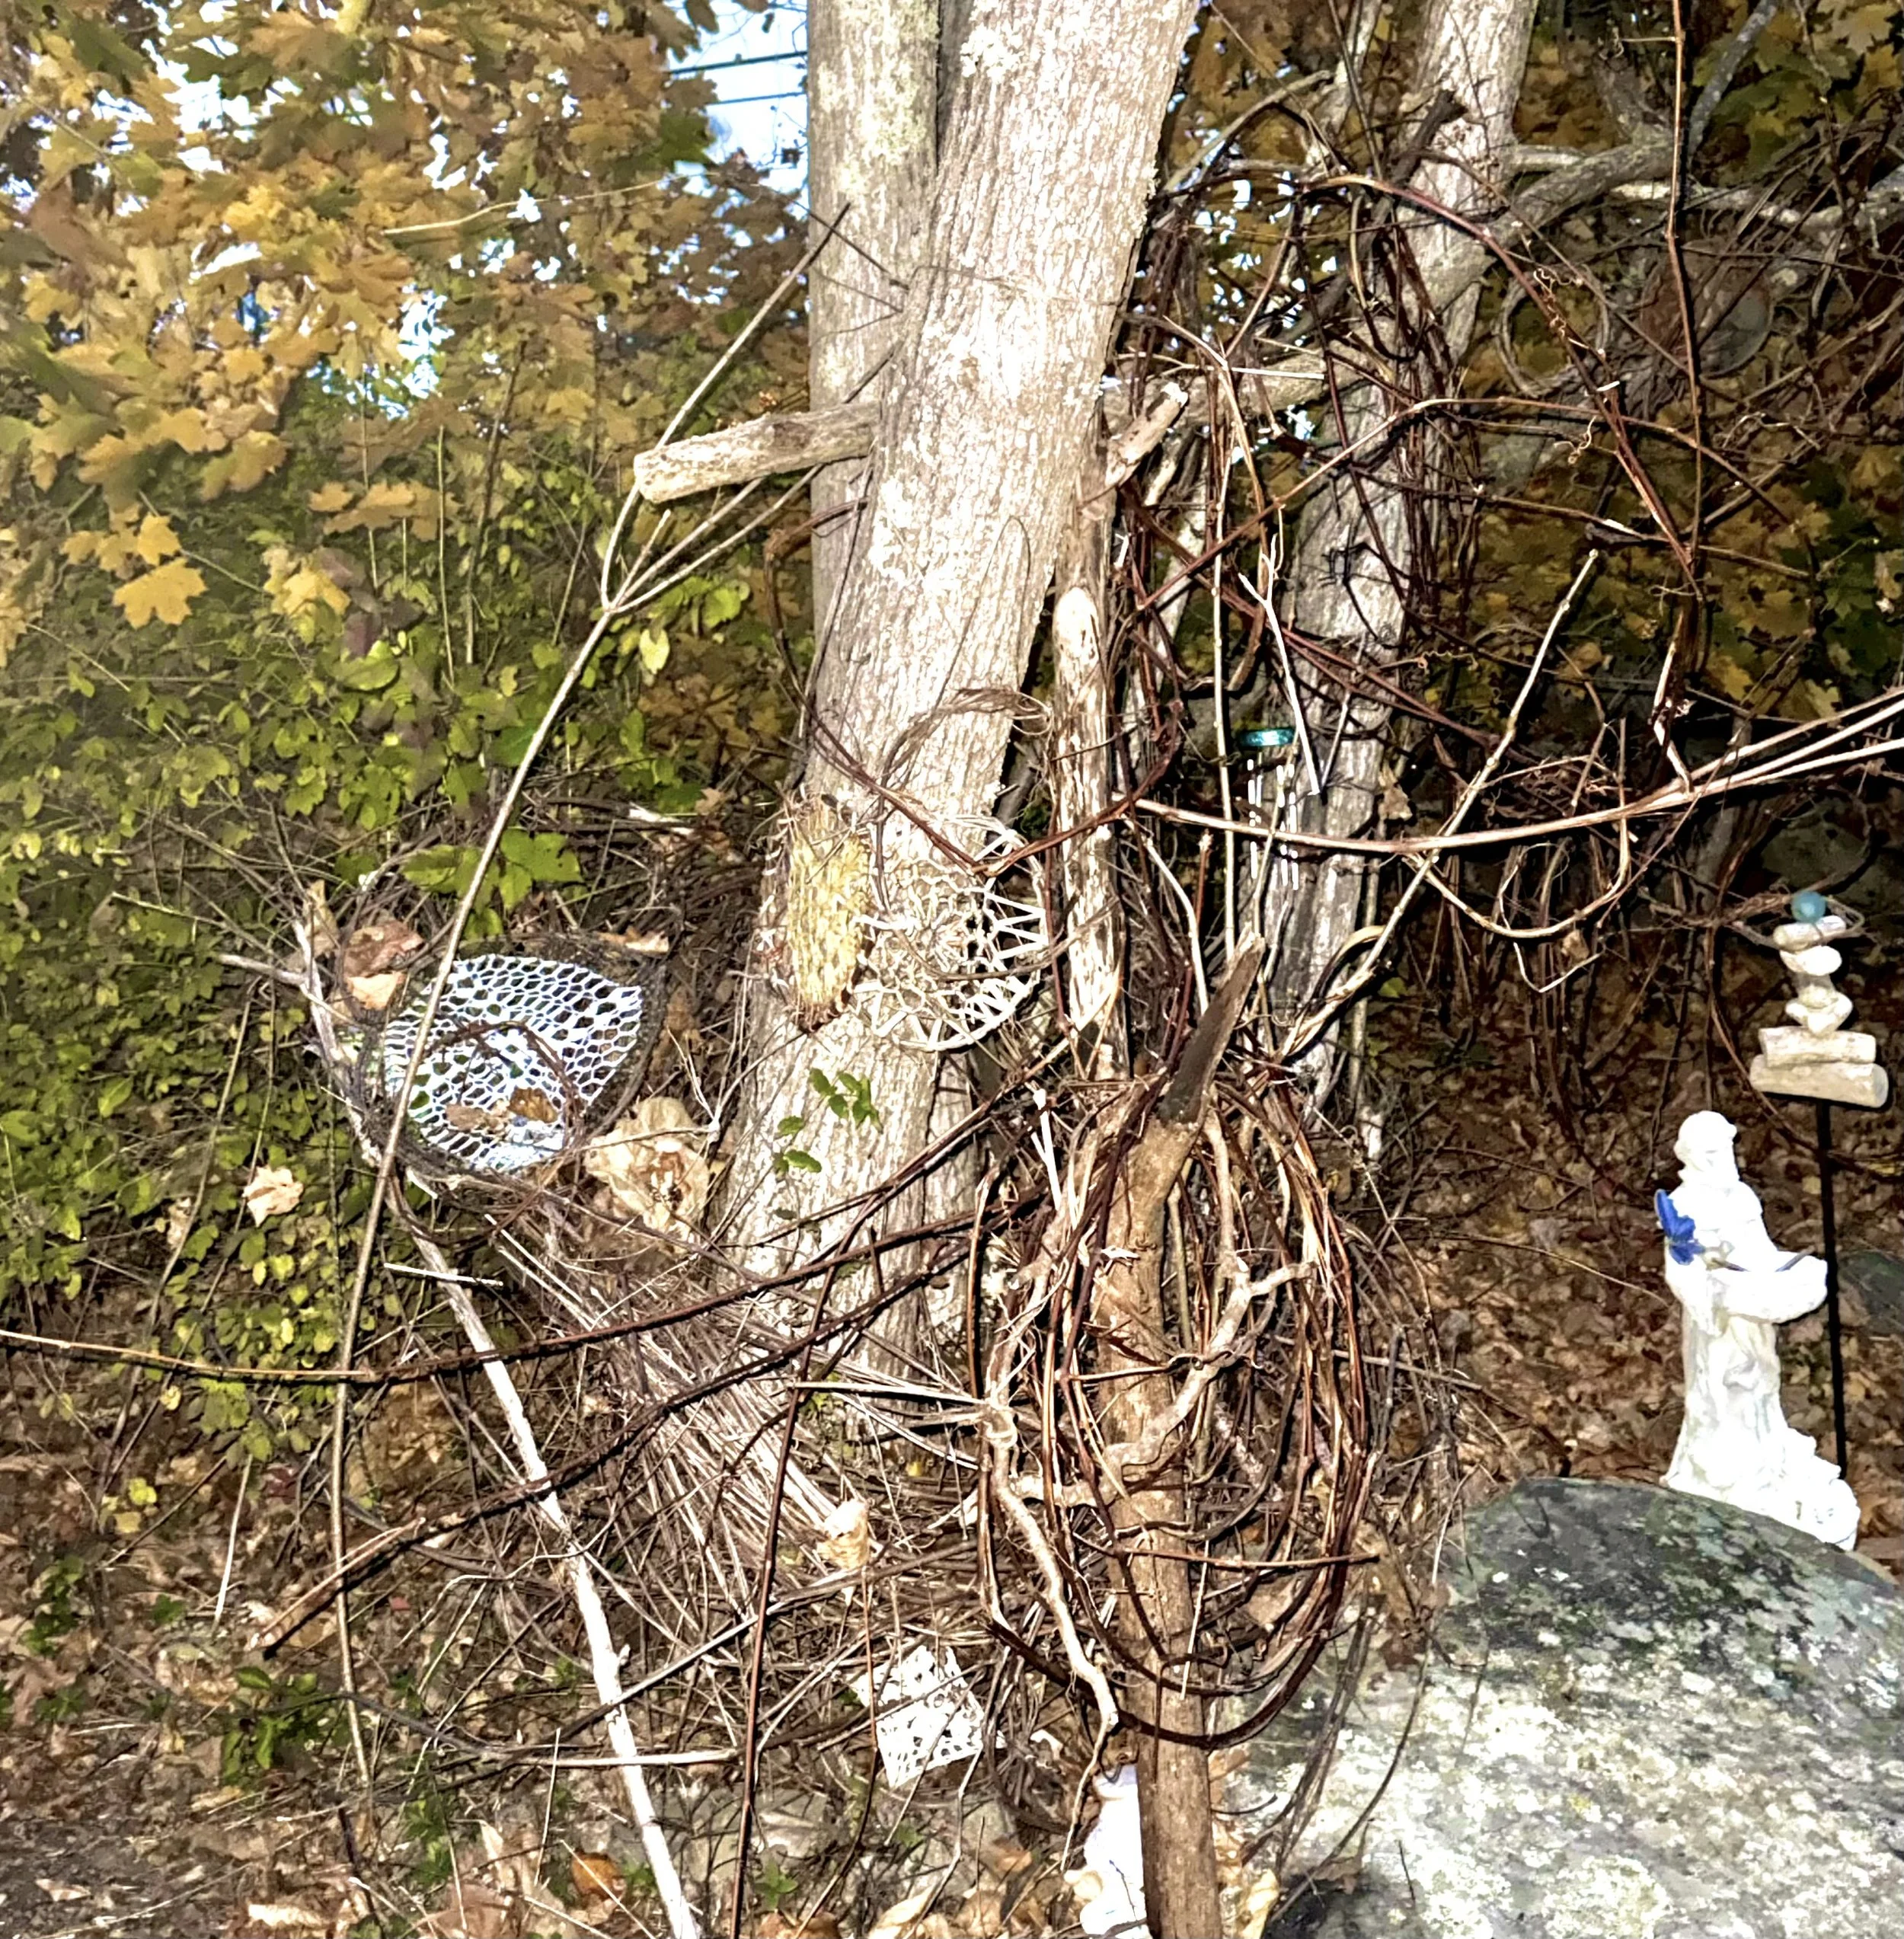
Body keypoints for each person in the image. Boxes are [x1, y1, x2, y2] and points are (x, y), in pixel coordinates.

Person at [1658, 1110, 1859, 1549]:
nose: (1722, 1159)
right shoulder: (1685, 1204)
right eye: (1712, 1153)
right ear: (1692, 1157)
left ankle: (1764, 1468)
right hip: (1718, 1324)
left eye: (1726, 1149)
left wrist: (1785, 1275)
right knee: (1722, 1393)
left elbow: (1762, 1252)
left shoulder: (1741, 1196)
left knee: (1758, 1391)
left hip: (1751, 1313)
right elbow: (1680, 1271)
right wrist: (1707, 1283)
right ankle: (1725, 1482)